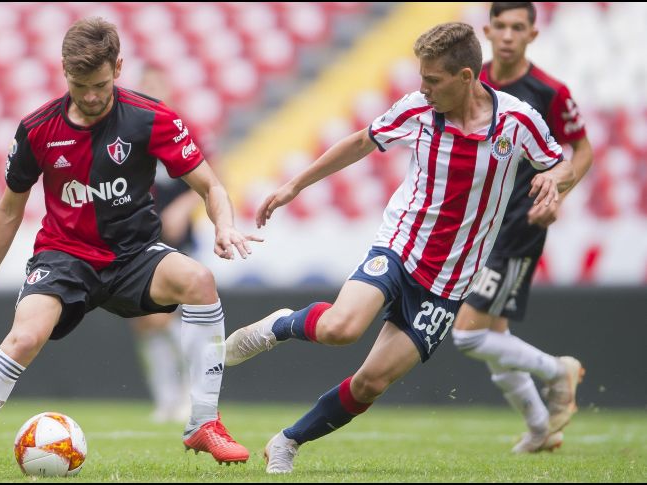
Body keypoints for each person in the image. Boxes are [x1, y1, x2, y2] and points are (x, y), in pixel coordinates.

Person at [224, 22, 576, 474]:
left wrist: (554, 179)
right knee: (340, 328)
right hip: (400, 246)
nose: (422, 88)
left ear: (466, 78)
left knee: (371, 383)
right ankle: (279, 325)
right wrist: (294, 185)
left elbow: (560, 163)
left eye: (432, 80)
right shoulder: (418, 112)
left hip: (450, 280)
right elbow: (358, 143)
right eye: (421, 78)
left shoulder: (518, 121)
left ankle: (287, 441)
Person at [0, 17, 258, 481]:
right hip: (64, 258)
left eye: (100, 84)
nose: (91, 96)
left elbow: (211, 185)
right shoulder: (37, 129)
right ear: (65, 74)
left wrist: (224, 226)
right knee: (23, 338)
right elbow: (7, 212)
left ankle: (203, 422)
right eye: (80, 85)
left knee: (200, 281)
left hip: (134, 255)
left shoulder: (151, 117)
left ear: (118, 68)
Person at [450, 2, 592, 454]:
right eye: (501, 27)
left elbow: (581, 151)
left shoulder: (550, 91)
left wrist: (557, 194)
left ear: (532, 34)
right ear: (487, 30)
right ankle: (539, 430)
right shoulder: (473, 81)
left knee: (469, 334)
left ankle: (557, 370)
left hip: (518, 223)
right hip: (477, 223)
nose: (508, 35)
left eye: (518, 27)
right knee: (496, 338)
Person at [127, 64, 200, 424]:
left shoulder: (182, 128)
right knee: (145, 322)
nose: (152, 94)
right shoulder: (127, 132)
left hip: (176, 241)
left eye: (157, 87)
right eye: (146, 88)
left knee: (172, 316)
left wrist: (184, 207)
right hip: (140, 238)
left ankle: (189, 395)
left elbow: (213, 177)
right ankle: (166, 398)